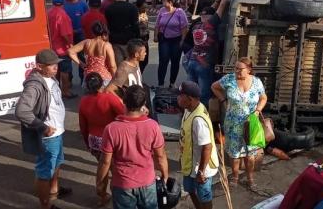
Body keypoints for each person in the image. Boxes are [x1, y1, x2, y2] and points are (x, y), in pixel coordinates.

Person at [15, 49, 72, 209]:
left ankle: (54, 190)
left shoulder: (50, 77)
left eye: (56, 64)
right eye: (51, 65)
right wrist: (43, 127)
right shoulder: (34, 85)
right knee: (44, 171)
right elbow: (21, 111)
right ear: (39, 66)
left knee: (57, 162)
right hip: (49, 136)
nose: (56, 67)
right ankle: (45, 205)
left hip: (58, 132)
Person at [97, 85, 169, 209]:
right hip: (147, 182)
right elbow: (160, 156)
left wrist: (100, 184)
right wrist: (165, 175)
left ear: (124, 102)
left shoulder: (111, 129)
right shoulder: (153, 126)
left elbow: (105, 162)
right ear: (144, 103)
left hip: (122, 185)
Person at [211, 57, 268, 189]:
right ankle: (235, 177)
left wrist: (258, 110)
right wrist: (223, 100)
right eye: (235, 68)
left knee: (251, 154)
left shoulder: (257, 82)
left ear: (248, 70)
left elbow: (263, 98)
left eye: (240, 69)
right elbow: (214, 87)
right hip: (232, 123)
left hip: (251, 124)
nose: (237, 71)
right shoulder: (229, 79)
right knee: (234, 153)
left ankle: (250, 178)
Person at [79, 72, 126, 207]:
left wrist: (88, 143)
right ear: (102, 83)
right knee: (115, 170)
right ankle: (117, 194)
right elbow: (124, 115)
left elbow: (83, 127)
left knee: (102, 167)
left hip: (94, 140)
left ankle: (102, 195)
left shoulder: (83, 102)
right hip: (111, 139)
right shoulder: (109, 98)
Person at [185, 0, 235, 106]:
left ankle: (187, 110)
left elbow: (211, 9)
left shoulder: (196, 24)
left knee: (190, 91)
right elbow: (221, 7)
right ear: (210, 16)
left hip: (192, 61)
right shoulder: (211, 24)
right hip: (204, 64)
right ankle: (202, 114)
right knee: (204, 93)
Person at [177, 81, 219, 209]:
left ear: (189, 99)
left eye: (180, 95)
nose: (178, 98)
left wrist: (201, 171)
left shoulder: (198, 121)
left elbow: (207, 146)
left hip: (201, 168)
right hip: (190, 165)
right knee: (190, 190)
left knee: (204, 196)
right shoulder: (189, 109)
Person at [67, 22, 117, 88]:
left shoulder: (87, 42)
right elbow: (112, 66)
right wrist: (115, 80)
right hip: (104, 77)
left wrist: (81, 64)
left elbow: (70, 51)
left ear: (93, 32)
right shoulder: (106, 45)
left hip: (89, 77)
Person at [154, 0, 189, 88]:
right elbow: (157, 25)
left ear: (170, 2)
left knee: (175, 61)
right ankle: (160, 83)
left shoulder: (179, 12)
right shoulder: (162, 10)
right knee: (163, 61)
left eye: (164, 1)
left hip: (176, 40)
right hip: (164, 39)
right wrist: (155, 36)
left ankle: (172, 83)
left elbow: (184, 27)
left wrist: (182, 40)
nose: (163, 2)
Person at [47, 0, 74, 98]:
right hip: (62, 48)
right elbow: (64, 34)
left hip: (52, 46)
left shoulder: (49, 13)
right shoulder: (62, 15)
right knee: (65, 70)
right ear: (63, 2)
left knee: (55, 69)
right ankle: (65, 91)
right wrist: (70, 44)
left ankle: (56, 88)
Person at [105, 0, 140, 65]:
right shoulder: (133, 8)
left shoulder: (109, 8)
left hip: (115, 40)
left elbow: (108, 25)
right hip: (129, 40)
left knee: (119, 66)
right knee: (131, 65)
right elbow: (135, 25)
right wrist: (138, 38)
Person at [135, 0, 150, 72]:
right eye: (143, 7)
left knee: (145, 60)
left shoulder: (144, 14)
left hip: (145, 40)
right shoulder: (135, 15)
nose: (145, 9)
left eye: (146, 7)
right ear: (138, 7)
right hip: (139, 40)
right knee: (139, 60)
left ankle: (140, 76)